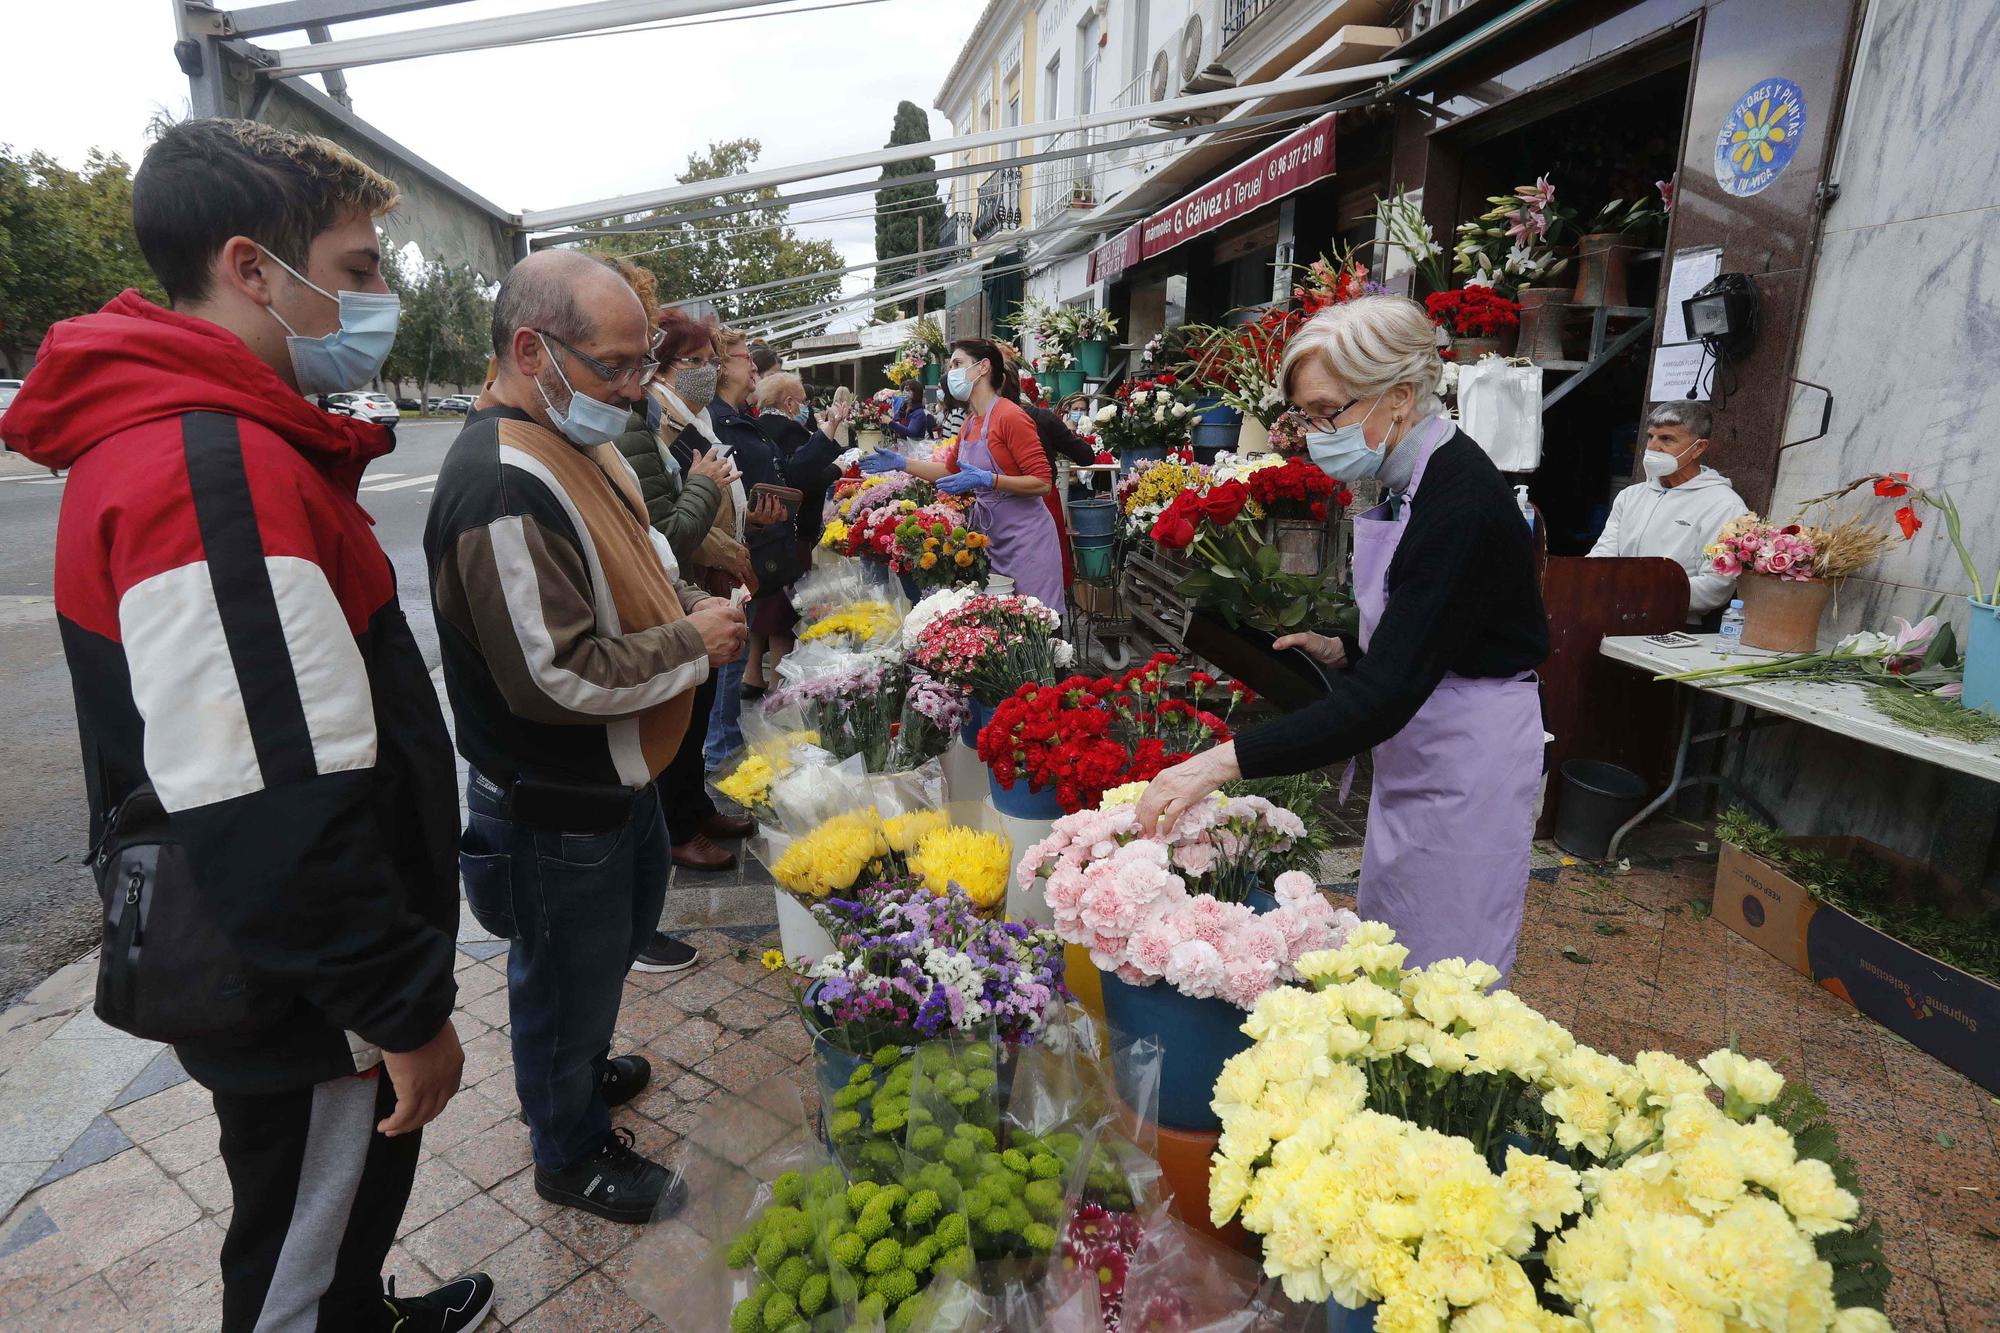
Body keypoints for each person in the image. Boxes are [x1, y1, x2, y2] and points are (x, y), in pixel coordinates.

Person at [1, 117, 491, 1331]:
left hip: (288, 966)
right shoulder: (207, 466)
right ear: (253, 268)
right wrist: (396, 1010)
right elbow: (273, 801)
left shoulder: (206, 440)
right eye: (360, 266)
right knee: (296, 1256)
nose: (375, 297)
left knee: (329, 1224)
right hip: (297, 987)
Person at [425, 250, 748, 1224]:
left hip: (617, 784)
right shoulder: (499, 482)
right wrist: (690, 644)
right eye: (611, 364)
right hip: (556, 803)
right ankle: (566, 1151)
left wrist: (680, 599)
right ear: (531, 351)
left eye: (637, 361)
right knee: (561, 976)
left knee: (596, 956)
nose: (631, 385)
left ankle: (578, 1070)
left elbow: (638, 563)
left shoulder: (574, 437)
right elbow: (551, 675)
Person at [1135, 296, 1548, 980]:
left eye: (1330, 412)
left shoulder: (1461, 500)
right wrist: (1347, 647)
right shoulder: (1403, 477)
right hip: (1421, 739)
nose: (1315, 432)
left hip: (1465, 750)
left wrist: (1217, 763)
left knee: (1449, 964)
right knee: (1393, 934)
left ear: (1401, 396)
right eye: (1305, 415)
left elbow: (1386, 695)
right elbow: (1430, 620)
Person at [610, 291, 753, 903]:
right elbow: (662, 532)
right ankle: (679, 825)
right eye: (700, 357)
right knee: (681, 717)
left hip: (689, 586)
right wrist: (701, 486)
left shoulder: (659, 419)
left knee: (694, 716)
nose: (714, 368)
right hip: (674, 592)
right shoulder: (643, 425)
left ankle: (693, 810)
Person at [862, 339, 1064, 611]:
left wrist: (989, 480)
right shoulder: (970, 422)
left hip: (1028, 543)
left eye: (957, 364)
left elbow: (1042, 482)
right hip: (994, 539)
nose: (950, 373)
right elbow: (949, 470)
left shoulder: (1010, 416)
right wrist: (902, 463)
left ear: (983, 368)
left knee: (1038, 625)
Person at [702, 324, 786, 749]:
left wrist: (751, 520)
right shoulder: (713, 422)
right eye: (744, 357)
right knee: (727, 661)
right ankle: (722, 752)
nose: (754, 366)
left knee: (732, 661)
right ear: (719, 366)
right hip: (723, 560)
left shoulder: (734, 417)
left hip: (742, 548)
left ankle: (725, 745)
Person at [1588, 400, 1747, 625]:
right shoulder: (1630, 495)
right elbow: (1602, 555)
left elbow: (1716, 585)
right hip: (1610, 613)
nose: (1653, 447)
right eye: (1650, 436)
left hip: (1674, 624)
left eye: (1667, 439)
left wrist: (1644, 594)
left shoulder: (1724, 506)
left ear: (1699, 448)